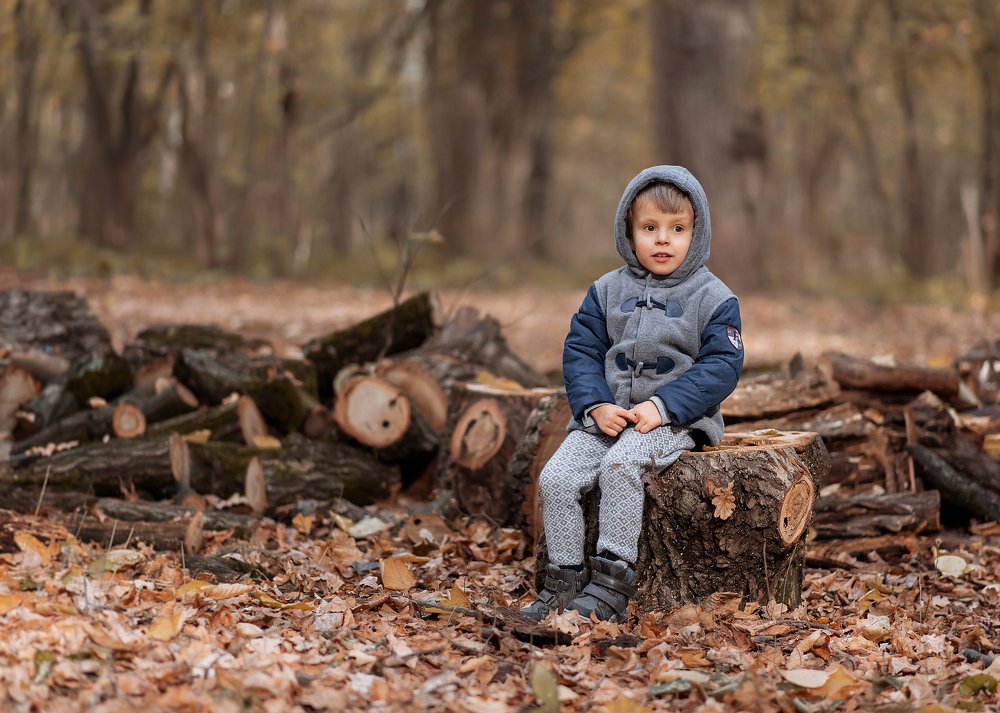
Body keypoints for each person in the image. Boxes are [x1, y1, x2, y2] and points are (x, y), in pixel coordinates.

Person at [520, 165, 744, 622]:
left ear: (696, 233)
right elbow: (581, 350)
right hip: (606, 418)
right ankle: (564, 579)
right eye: (650, 228)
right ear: (629, 231)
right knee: (556, 478)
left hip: (675, 422)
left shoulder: (713, 297)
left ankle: (612, 581)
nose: (663, 240)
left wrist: (664, 406)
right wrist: (596, 405)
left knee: (621, 466)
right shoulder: (606, 290)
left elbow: (723, 365)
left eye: (677, 229)